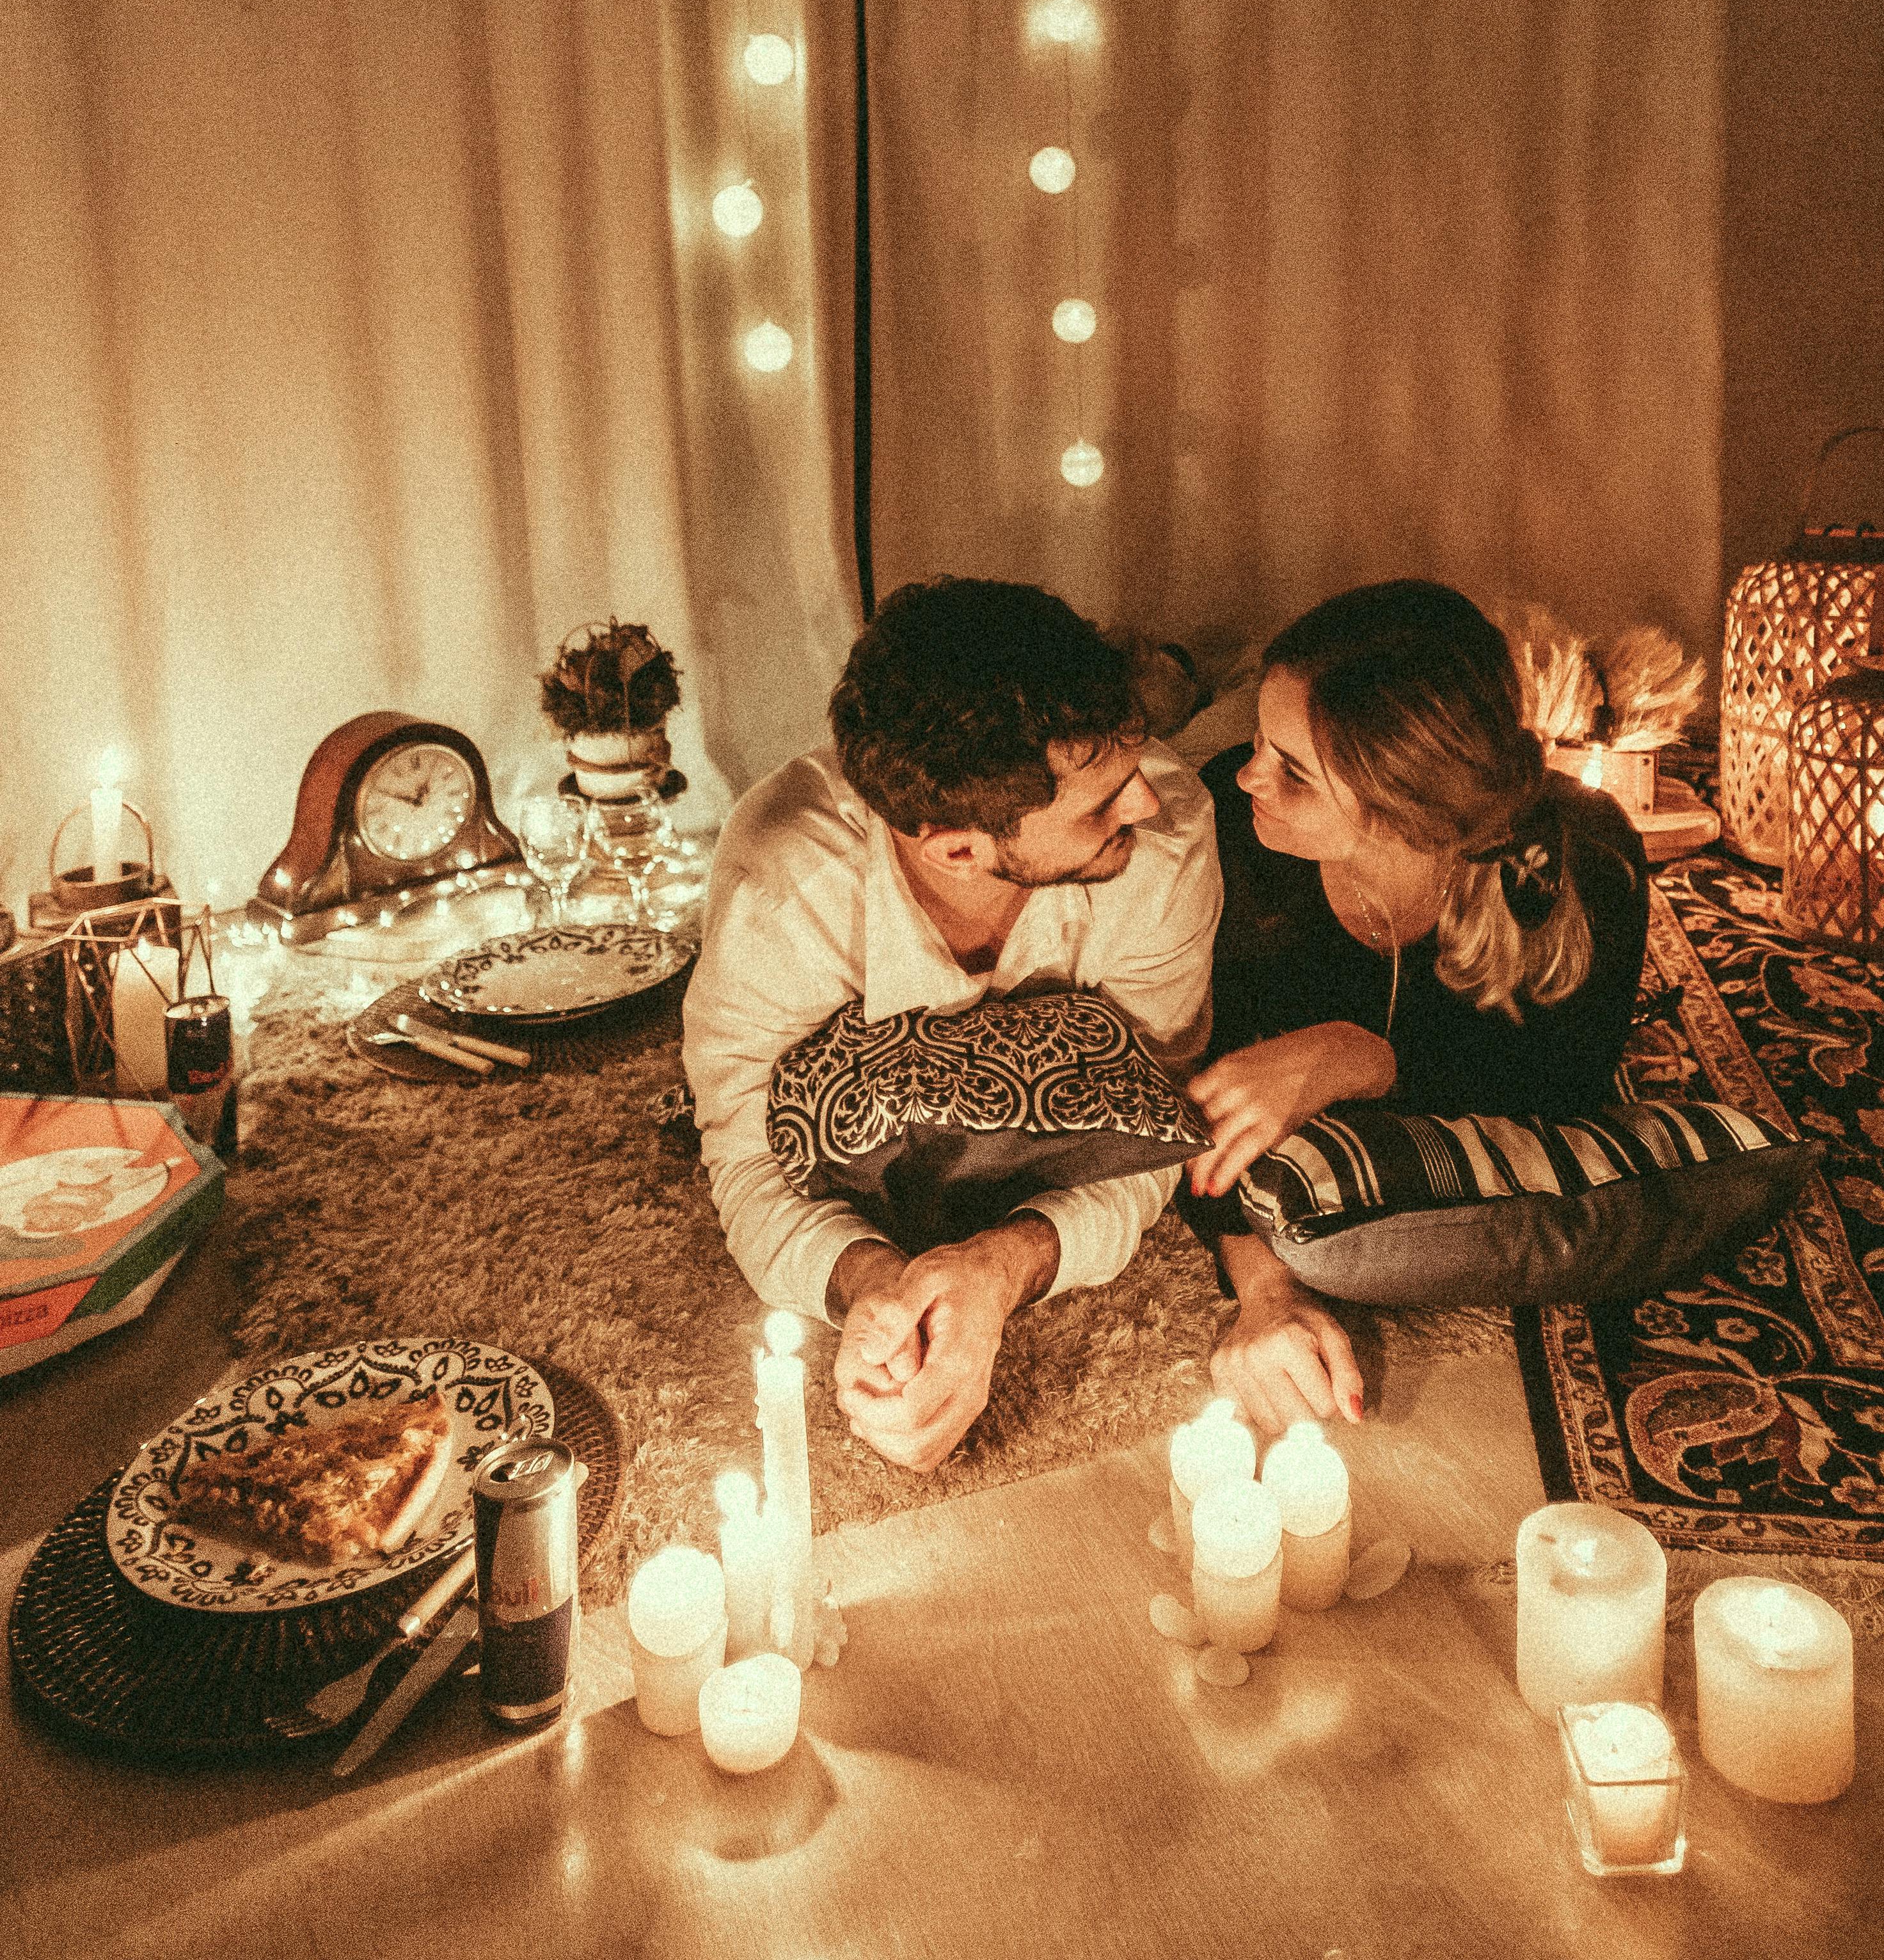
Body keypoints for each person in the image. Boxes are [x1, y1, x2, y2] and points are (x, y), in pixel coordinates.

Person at [684, 578, 1221, 1473]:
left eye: (1130, 769)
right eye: (1098, 806)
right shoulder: (783, 891)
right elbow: (743, 1159)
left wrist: (1003, 1267)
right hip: (855, 1109)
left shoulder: (1165, 843)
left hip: (1057, 1108)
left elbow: (1157, 1125)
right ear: (957, 850)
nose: (1144, 806)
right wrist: (872, 1288)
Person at [1182, 579, 1650, 1437]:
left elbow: (1562, 1091)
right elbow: (1184, 1107)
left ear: (1402, 812)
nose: (1252, 775)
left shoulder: (1584, 862)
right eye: (1259, 739)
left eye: (1294, 772)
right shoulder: (1221, 829)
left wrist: (1362, 1054)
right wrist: (1265, 1290)